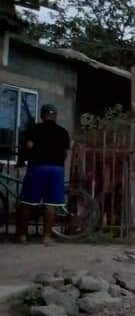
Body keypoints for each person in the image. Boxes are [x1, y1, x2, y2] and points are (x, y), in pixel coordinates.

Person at [16, 103, 71, 244]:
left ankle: (22, 236)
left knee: (26, 203)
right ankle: (46, 237)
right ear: (55, 116)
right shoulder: (63, 131)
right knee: (50, 204)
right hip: (55, 170)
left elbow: (28, 146)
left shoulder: (34, 129)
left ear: (42, 115)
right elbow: (65, 152)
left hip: (37, 168)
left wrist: (21, 161)